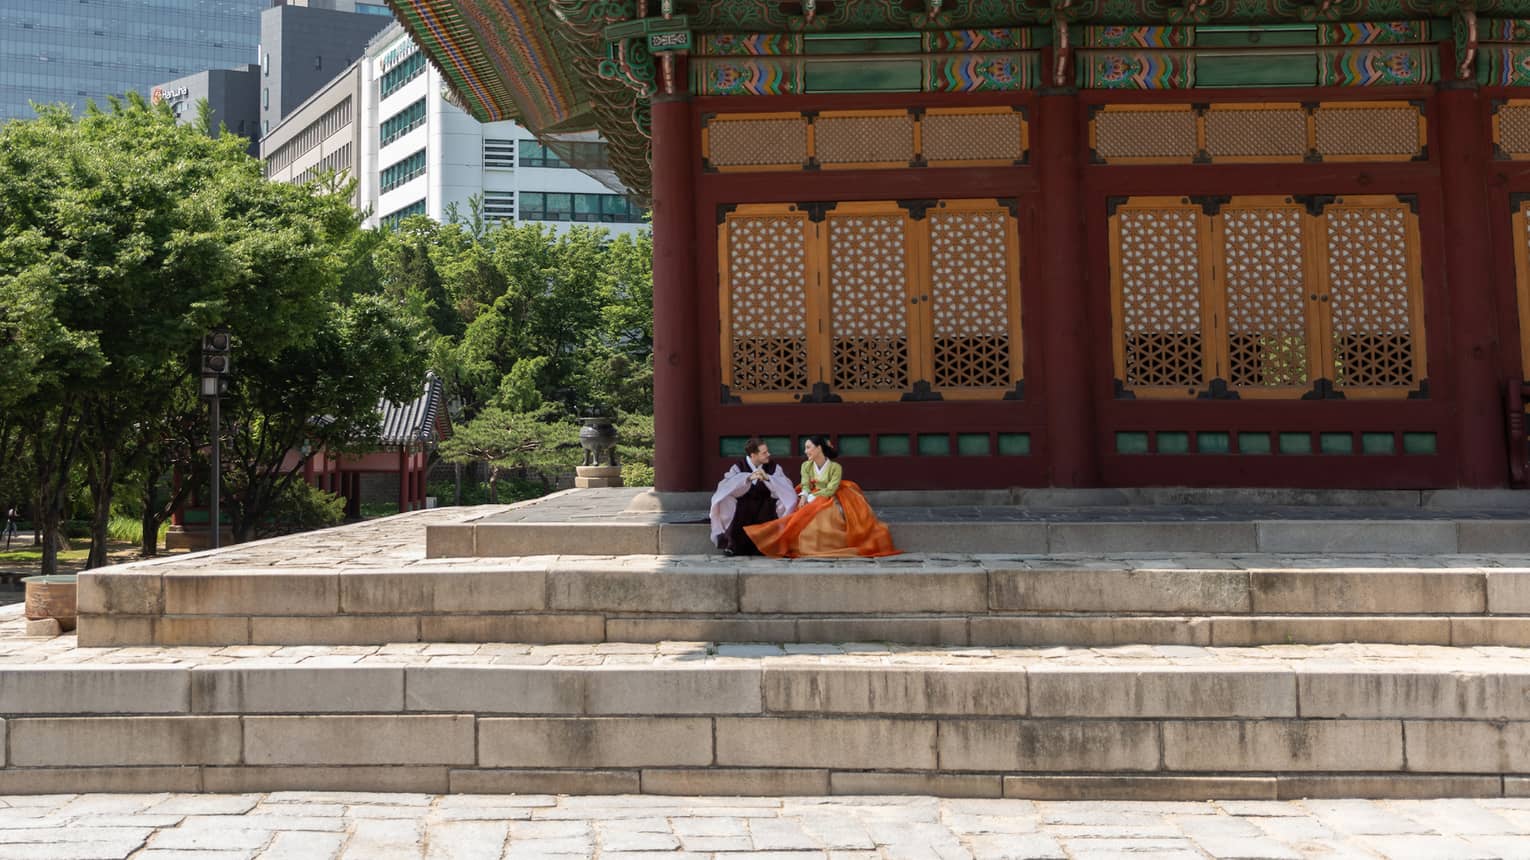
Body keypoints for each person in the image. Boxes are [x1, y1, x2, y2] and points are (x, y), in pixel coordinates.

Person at [744, 436, 900, 558]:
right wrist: (805, 495)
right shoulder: (806, 465)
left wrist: (813, 498)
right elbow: (805, 484)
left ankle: (827, 546)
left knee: (829, 513)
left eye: (808, 447)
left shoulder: (835, 467)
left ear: (819, 448)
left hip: (832, 495)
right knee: (796, 508)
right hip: (811, 494)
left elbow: (831, 488)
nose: (806, 451)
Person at [708, 437, 798, 556]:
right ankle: (732, 544)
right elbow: (725, 488)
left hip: (766, 504)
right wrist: (747, 478)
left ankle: (768, 546)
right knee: (726, 500)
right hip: (743, 505)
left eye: (767, 451)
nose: (768, 454)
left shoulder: (773, 468)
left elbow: (786, 488)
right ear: (753, 455)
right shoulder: (738, 467)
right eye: (764, 453)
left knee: (777, 505)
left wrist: (768, 479)